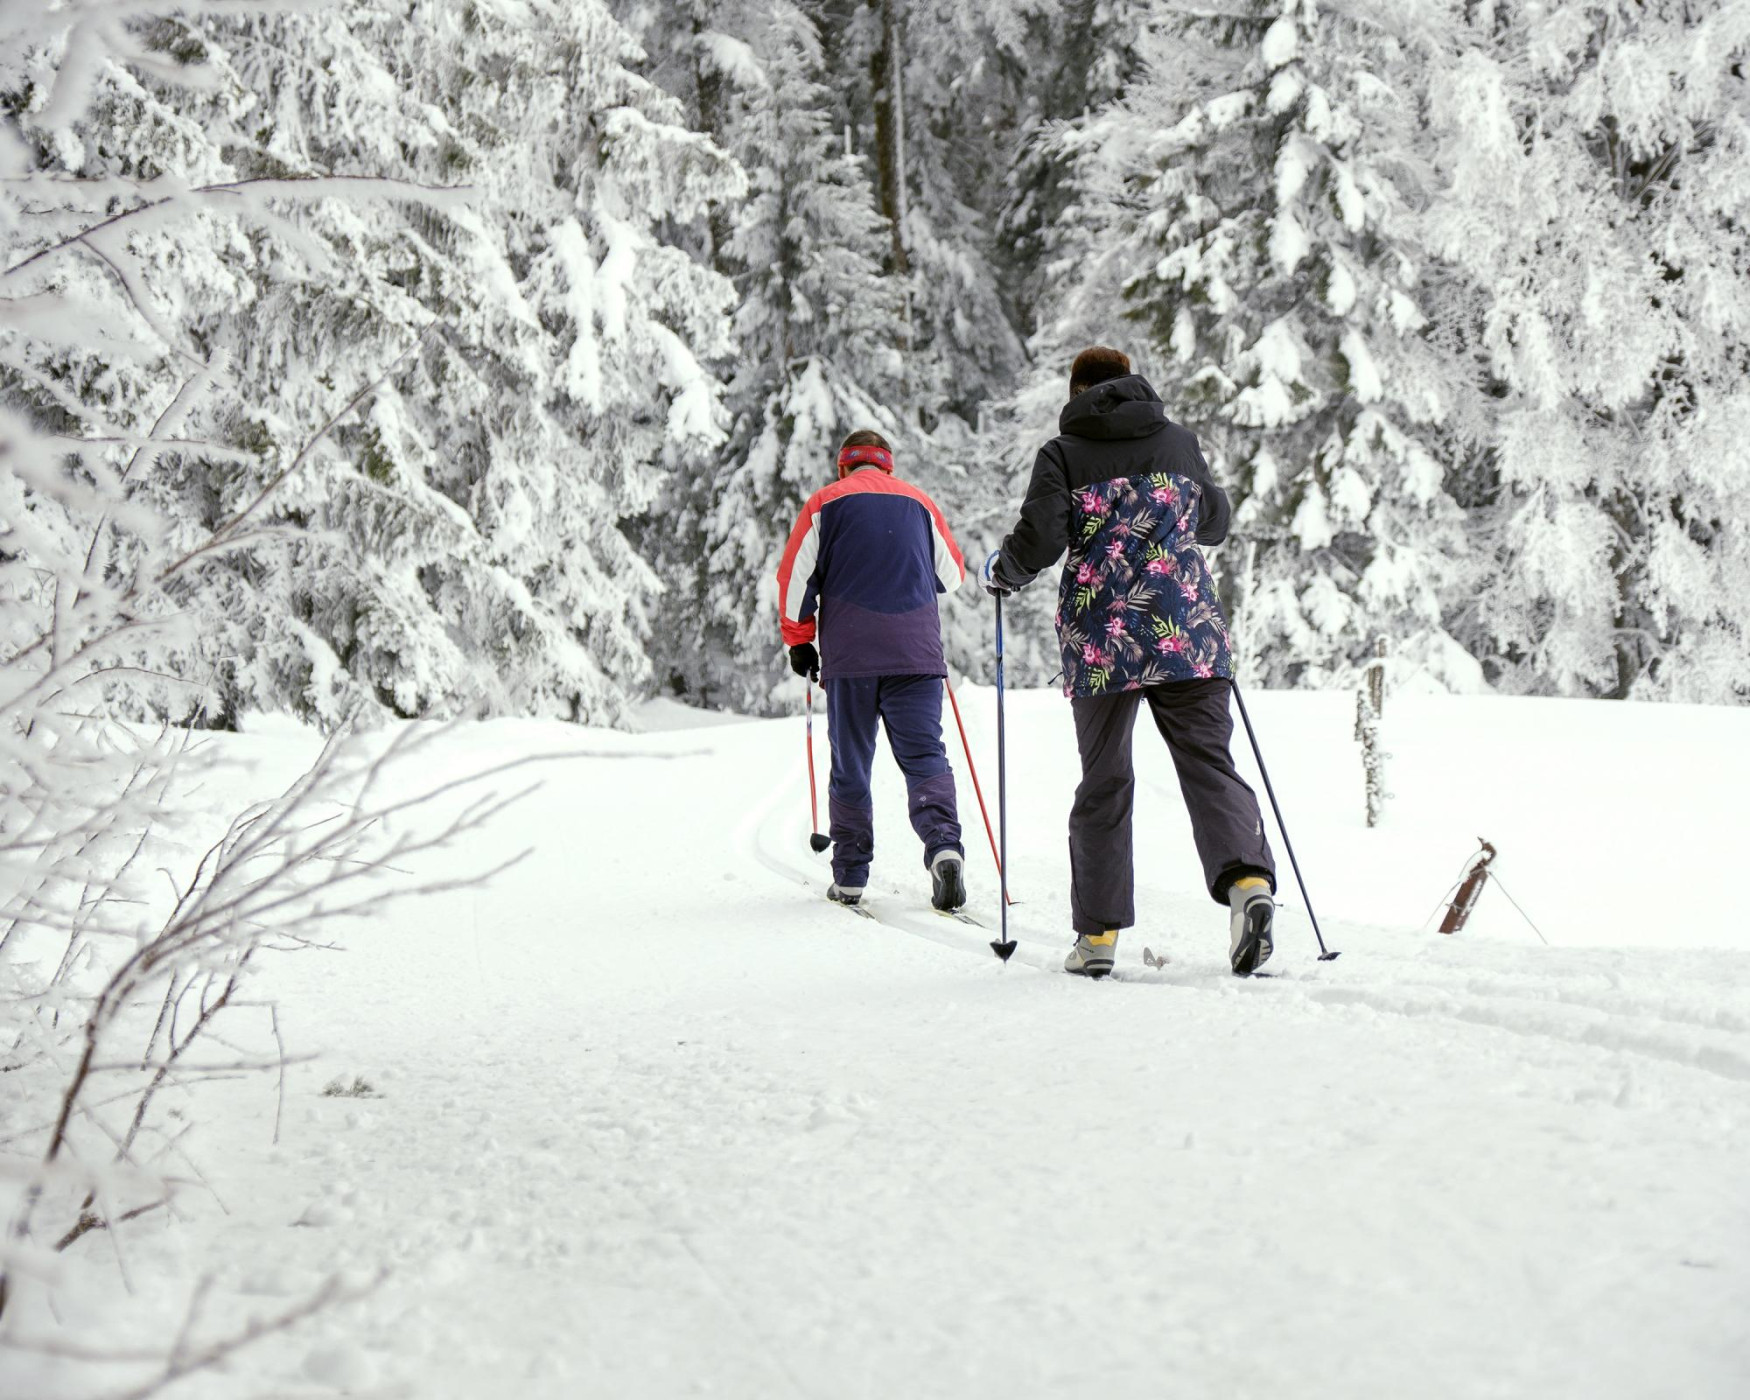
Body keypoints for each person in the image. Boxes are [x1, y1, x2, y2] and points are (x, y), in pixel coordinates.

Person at [983, 346, 1277, 977]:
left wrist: (1003, 571)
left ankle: (1097, 938)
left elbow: (1041, 536)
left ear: (1077, 391)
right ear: (1132, 382)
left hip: (1103, 640)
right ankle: (1249, 885)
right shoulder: (1179, 441)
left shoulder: (1063, 453)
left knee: (1105, 781)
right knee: (1209, 764)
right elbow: (1215, 522)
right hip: (1187, 631)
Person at [776, 430, 968, 912]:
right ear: (888, 466)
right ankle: (944, 847)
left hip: (852, 658)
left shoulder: (824, 504)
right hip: (917, 655)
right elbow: (952, 575)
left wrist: (799, 641)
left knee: (851, 764)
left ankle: (850, 876)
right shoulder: (919, 502)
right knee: (925, 756)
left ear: (843, 466)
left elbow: (795, 581)